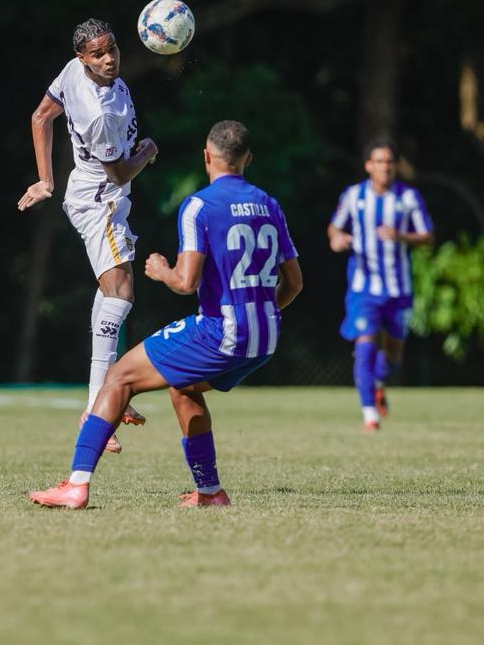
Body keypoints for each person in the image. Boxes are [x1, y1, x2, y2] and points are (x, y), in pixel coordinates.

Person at [28, 120, 302, 509]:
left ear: (207, 156)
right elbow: (294, 284)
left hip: (221, 330)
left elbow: (186, 282)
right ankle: (210, 492)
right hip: (266, 336)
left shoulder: (200, 206)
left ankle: (76, 485)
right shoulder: (270, 205)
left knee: (118, 376)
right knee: (184, 387)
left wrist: (161, 271)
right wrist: (258, 316)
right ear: (248, 159)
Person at [17, 18, 159, 453]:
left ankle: (107, 396)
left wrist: (46, 180)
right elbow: (119, 173)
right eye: (98, 54)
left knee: (110, 293)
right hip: (103, 200)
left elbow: (41, 116)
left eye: (111, 48)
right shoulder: (101, 114)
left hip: (90, 192)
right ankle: (99, 407)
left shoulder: (72, 71)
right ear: (83, 58)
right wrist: (148, 151)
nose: (109, 58)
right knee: (121, 292)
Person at [327, 138, 433, 432]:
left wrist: (401, 236)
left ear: (395, 166)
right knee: (365, 345)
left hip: (399, 289)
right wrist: (336, 238)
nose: (384, 167)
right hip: (363, 289)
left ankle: (377, 382)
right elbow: (334, 226)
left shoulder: (407, 197)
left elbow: (428, 236)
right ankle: (370, 415)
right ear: (368, 166)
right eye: (379, 161)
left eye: (389, 161)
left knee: (394, 355)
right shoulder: (354, 196)